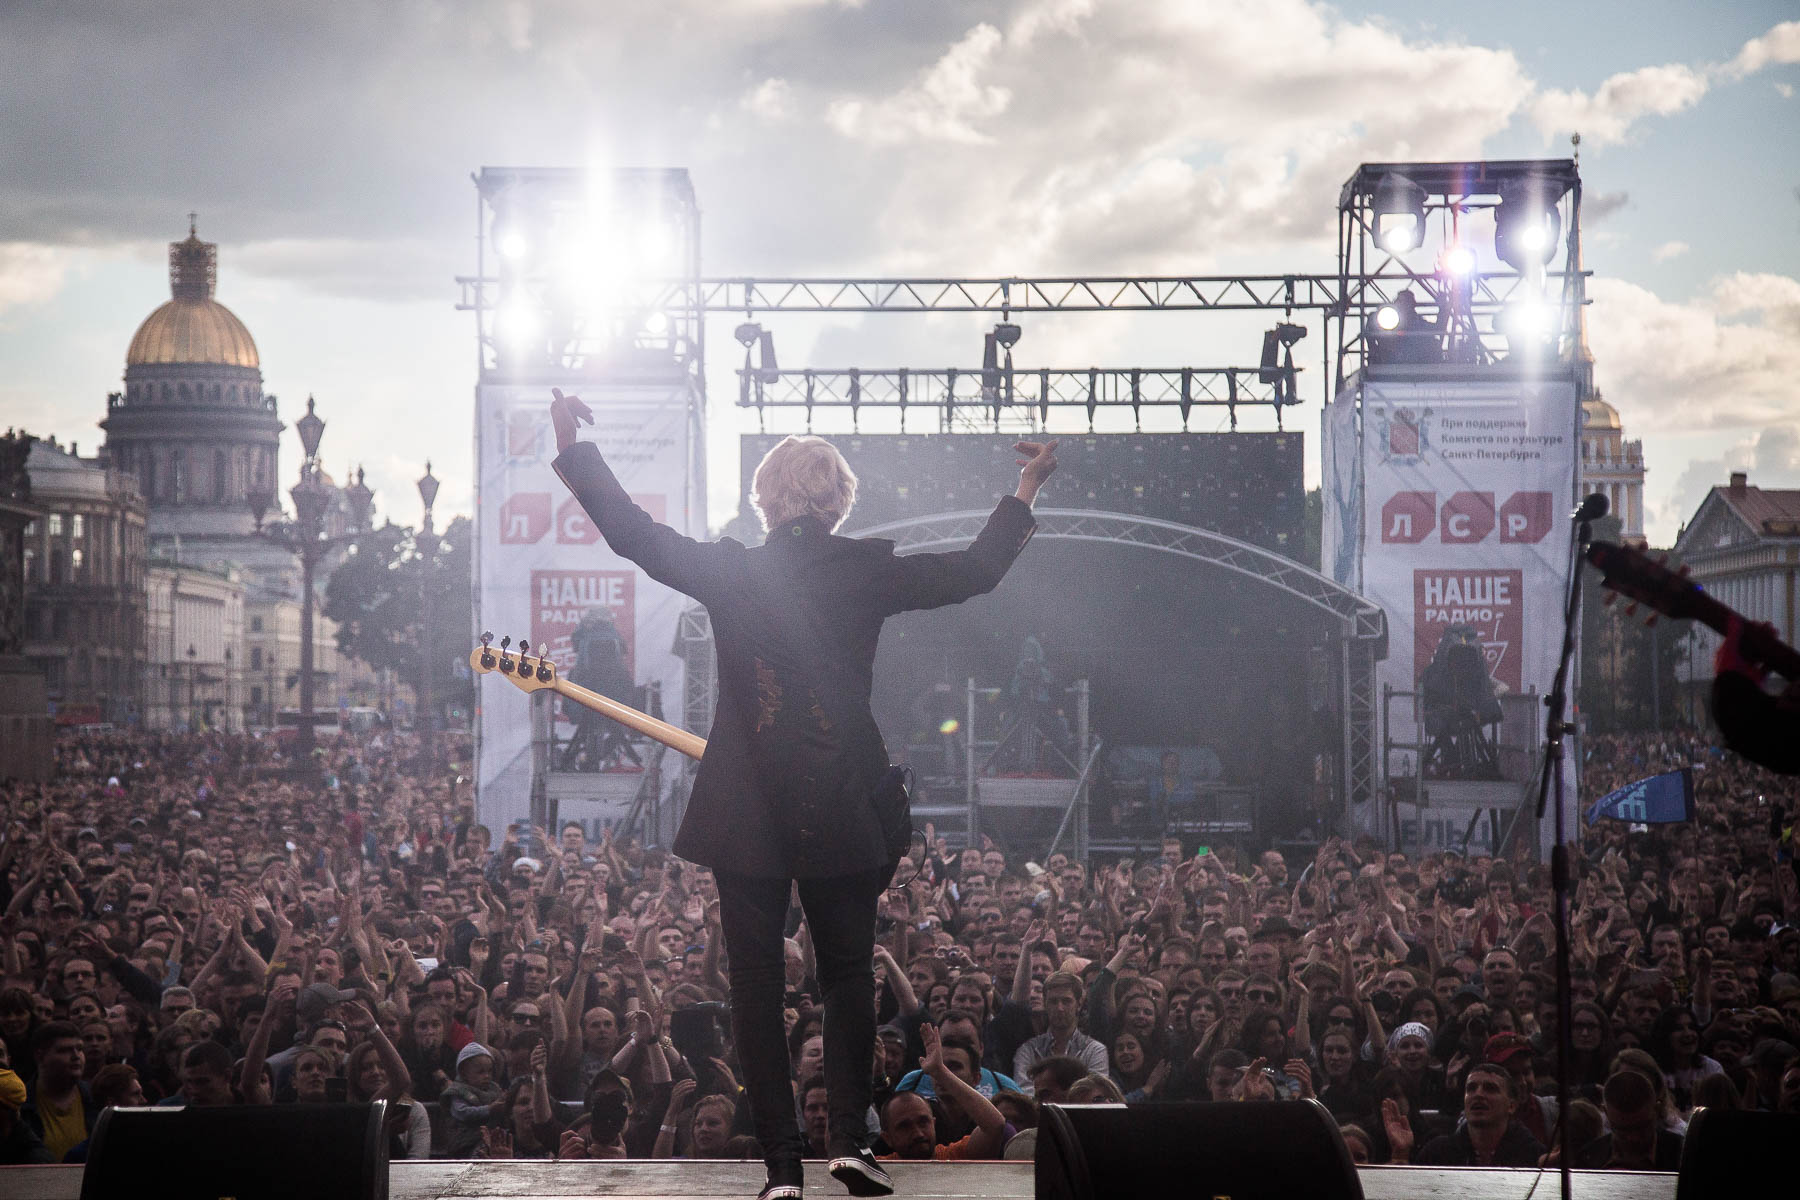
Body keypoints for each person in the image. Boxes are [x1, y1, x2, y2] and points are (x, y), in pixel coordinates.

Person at [548, 390, 1054, 1200]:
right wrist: (1025, 490)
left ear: (767, 500)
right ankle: (850, 1142)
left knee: (754, 986)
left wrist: (573, 444)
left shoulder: (732, 568)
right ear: (837, 502)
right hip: (841, 800)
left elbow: (632, 533)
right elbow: (975, 572)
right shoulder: (866, 570)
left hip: (745, 809)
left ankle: (782, 1167)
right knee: (848, 976)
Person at [878, 1023, 1009, 1161]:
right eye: (904, 1127)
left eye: (923, 1122)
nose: (918, 1134)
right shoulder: (878, 1169)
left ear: (933, 1124)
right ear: (887, 1138)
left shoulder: (951, 1158)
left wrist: (940, 1071)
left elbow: (995, 1125)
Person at [1401, 1063, 1544, 1167]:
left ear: (1512, 1106)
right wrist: (1399, 1156)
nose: (1478, 1094)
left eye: (1490, 1089)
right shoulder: (1436, 1153)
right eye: (1471, 1088)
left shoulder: (1533, 1155)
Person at [1576, 1069, 1684, 1170]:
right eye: (1623, 1130)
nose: (1633, 1138)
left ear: (1657, 1109)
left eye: (1642, 1128)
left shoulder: (1686, 1154)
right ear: (1606, 1113)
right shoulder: (1587, 1158)